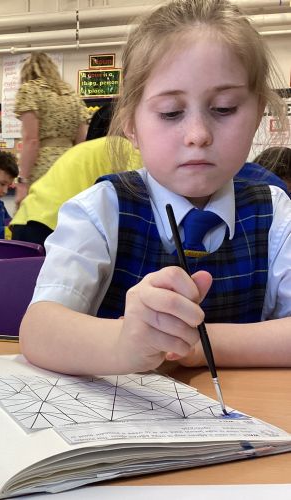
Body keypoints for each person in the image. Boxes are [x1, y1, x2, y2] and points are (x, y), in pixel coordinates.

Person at [20, 0, 291, 376]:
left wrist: (197, 343)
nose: (198, 135)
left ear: (258, 112)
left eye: (224, 108)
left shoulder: (275, 212)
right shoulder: (101, 209)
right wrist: (123, 343)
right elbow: (39, 331)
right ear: (131, 125)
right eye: (170, 113)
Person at [10, 137, 142, 246]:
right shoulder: (135, 155)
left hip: (26, 217)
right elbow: (135, 206)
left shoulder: (101, 147)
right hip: (53, 225)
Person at [14, 52, 89, 205]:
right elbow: (82, 142)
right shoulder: (73, 95)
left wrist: (22, 181)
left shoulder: (30, 90)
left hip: (43, 169)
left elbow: (31, 141)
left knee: (38, 216)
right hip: (71, 167)